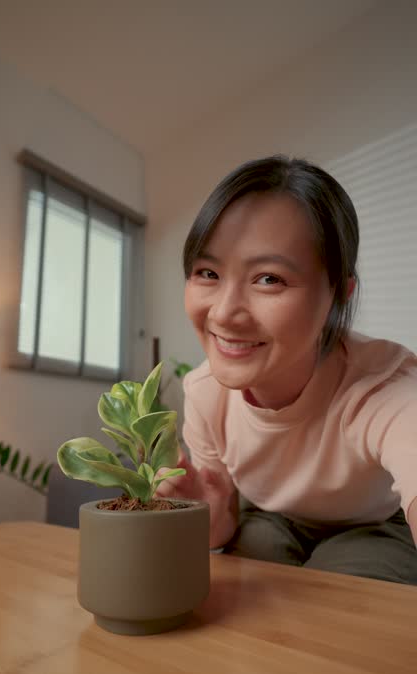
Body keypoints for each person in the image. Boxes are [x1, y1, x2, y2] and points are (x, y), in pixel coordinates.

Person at [156, 155, 417, 584]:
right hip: (272, 518)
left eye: (269, 279)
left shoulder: (384, 384)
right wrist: (205, 510)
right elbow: (218, 530)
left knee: (339, 594)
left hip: (377, 525)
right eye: (208, 272)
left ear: (339, 294)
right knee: (247, 573)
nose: (224, 313)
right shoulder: (204, 393)